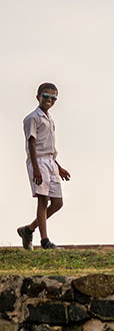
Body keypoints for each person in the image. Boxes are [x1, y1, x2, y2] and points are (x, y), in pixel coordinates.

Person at [17, 82, 71, 250]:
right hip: (38, 161)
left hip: (50, 161)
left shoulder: (50, 119)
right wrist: (36, 168)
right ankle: (45, 240)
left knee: (57, 202)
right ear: (38, 97)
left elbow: (48, 147)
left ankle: (29, 229)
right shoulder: (33, 118)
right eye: (46, 96)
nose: (49, 100)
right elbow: (32, 144)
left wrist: (58, 166)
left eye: (53, 97)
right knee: (43, 200)